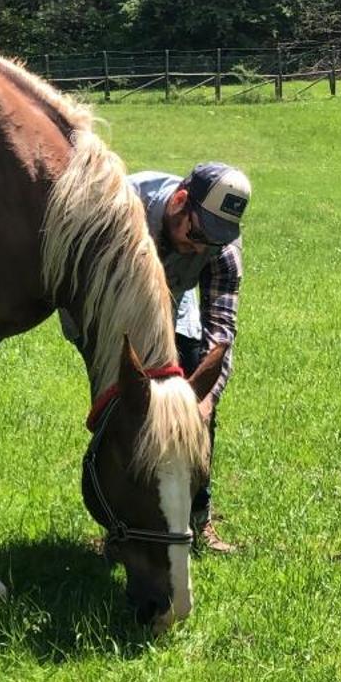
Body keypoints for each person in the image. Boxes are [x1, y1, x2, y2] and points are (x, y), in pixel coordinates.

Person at [129, 161, 250, 552]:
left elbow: (221, 334)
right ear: (180, 201)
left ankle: (199, 519)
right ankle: (127, 523)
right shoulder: (126, 207)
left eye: (212, 242)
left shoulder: (221, 247)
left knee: (195, 396)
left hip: (175, 304)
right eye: (196, 234)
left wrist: (206, 402)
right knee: (129, 410)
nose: (201, 248)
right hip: (110, 314)